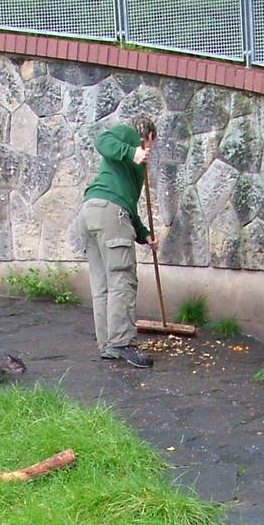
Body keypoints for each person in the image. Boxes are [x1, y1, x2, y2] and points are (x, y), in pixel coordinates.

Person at [78, 115, 157, 368]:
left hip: (93, 211)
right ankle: (124, 343)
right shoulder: (129, 135)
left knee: (102, 284)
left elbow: (128, 207)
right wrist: (133, 150)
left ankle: (109, 346)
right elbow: (101, 140)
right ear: (149, 137)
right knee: (122, 277)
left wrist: (144, 235)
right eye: (151, 145)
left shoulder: (130, 168)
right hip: (109, 211)